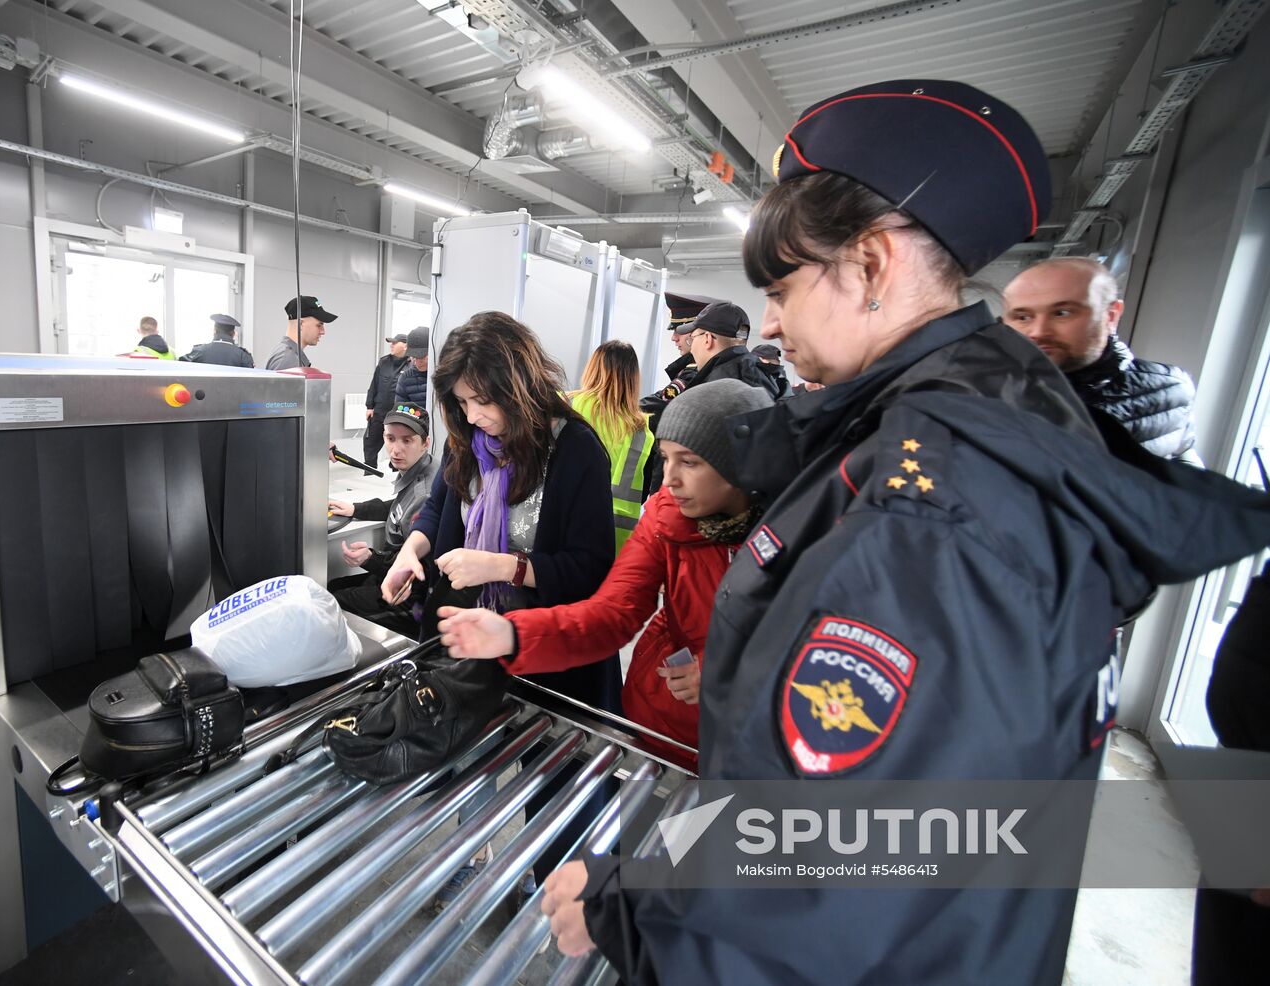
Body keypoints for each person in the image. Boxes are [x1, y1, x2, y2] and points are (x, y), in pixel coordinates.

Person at [536, 78, 1270, 984]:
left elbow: (840, 869)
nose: (768, 321)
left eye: (781, 287)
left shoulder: (931, 499)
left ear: (873, 266)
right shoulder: (962, 421)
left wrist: (629, 910)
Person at [378, 310, 616, 905]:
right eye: (461, 402)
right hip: (475, 645)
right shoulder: (471, 443)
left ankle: (565, 904)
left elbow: (590, 569)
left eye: (484, 400)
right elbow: (439, 511)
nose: (474, 415)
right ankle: (472, 861)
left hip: (553, 659)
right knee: (472, 761)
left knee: (557, 793)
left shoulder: (576, 451)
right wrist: (411, 551)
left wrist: (506, 565)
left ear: (519, 384)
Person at [438, 379, 772, 752]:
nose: (669, 480)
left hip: (758, 739)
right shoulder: (667, 517)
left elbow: (814, 649)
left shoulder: (802, 531)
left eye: (690, 462)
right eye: (665, 459)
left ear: (741, 465)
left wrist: (727, 671)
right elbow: (613, 613)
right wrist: (512, 636)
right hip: (664, 718)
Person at [1002, 257, 1200, 462]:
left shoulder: (1168, 389)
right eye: (1023, 317)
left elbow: (1185, 463)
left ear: (1111, 315)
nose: (1039, 331)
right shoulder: (981, 390)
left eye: (1062, 313)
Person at [329, 403, 436, 638]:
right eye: (390, 438)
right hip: (389, 573)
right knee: (331, 587)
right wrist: (356, 508)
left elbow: (416, 568)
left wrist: (370, 558)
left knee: (330, 601)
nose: (396, 449)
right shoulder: (420, 470)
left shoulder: (426, 492)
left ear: (425, 443)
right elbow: (397, 507)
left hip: (410, 598)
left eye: (407, 440)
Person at [569, 340, 655, 552]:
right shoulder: (642, 430)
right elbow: (643, 492)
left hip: (564, 531)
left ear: (592, 368)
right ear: (634, 379)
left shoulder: (565, 406)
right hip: (614, 546)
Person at [638, 293, 717, 498]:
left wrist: (618, 407)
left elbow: (657, 406)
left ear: (697, 334)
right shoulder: (693, 370)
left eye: (679, 331)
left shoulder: (694, 372)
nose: (674, 338)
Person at [683, 301, 776, 394]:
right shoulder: (767, 378)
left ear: (708, 339)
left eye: (692, 339)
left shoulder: (713, 390)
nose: (691, 350)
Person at [362, 334, 410, 465]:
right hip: (378, 411)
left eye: (395, 343)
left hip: (398, 414)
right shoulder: (383, 362)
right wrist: (369, 407)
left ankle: (397, 476)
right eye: (391, 343)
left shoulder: (411, 365)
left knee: (398, 447)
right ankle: (369, 473)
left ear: (405, 345)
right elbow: (374, 385)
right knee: (369, 444)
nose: (391, 345)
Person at [266, 295, 337, 370]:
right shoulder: (288, 359)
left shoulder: (289, 355)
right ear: (300, 324)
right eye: (319, 325)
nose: (323, 332)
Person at [179, 314, 254, 367]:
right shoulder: (242, 355)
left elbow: (180, 366)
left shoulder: (200, 351)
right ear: (233, 333)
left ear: (214, 331)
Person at [393, 326, 430, 407]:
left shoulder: (444, 375)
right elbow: (401, 410)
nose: (416, 362)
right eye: (413, 357)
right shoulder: (405, 378)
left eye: (421, 357)